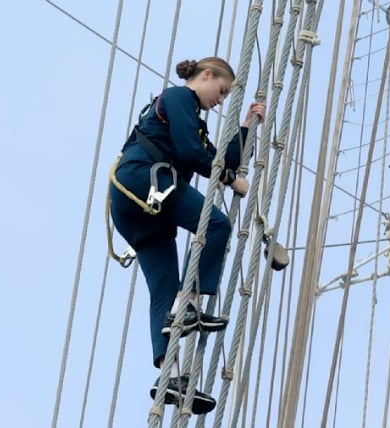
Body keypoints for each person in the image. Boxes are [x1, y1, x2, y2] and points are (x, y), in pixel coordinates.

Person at [109, 57, 266, 414]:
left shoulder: (192, 121)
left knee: (163, 288)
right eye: (222, 91)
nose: (221, 99)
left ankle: (170, 377)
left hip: (138, 207)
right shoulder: (180, 98)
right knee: (217, 225)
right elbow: (190, 152)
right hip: (144, 179)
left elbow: (217, 157)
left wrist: (247, 127)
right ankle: (190, 303)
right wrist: (229, 180)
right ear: (206, 75)